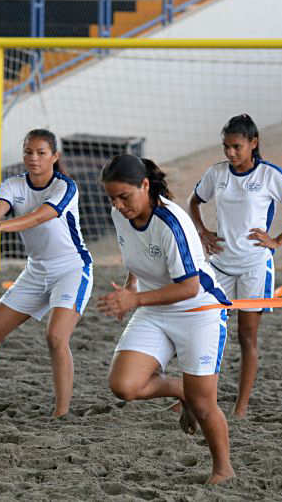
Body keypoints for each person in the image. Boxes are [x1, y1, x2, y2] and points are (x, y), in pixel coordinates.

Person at [98, 154, 234, 484]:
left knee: (205, 405)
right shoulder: (121, 216)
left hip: (198, 311)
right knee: (123, 386)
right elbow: (136, 254)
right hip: (155, 307)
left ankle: (223, 470)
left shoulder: (171, 223)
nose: (118, 205)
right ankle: (181, 390)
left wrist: (135, 299)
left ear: (145, 186)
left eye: (124, 197)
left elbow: (188, 287)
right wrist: (131, 288)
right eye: (112, 198)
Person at [0, 129, 92, 418]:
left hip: (71, 270)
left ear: (54, 157)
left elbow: (39, 216)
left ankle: (61, 412)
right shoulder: (14, 184)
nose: (34, 158)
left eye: (41, 153)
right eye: (28, 152)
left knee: (56, 337)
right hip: (36, 271)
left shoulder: (65, 187)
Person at [188, 114, 282, 418]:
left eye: (236, 147)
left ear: (253, 143)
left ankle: (241, 406)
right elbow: (194, 202)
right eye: (226, 147)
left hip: (254, 266)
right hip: (218, 264)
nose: (230, 153)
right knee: (201, 331)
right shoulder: (217, 174)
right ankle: (192, 397)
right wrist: (203, 232)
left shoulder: (271, 175)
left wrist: (278, 241)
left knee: (247, 336)